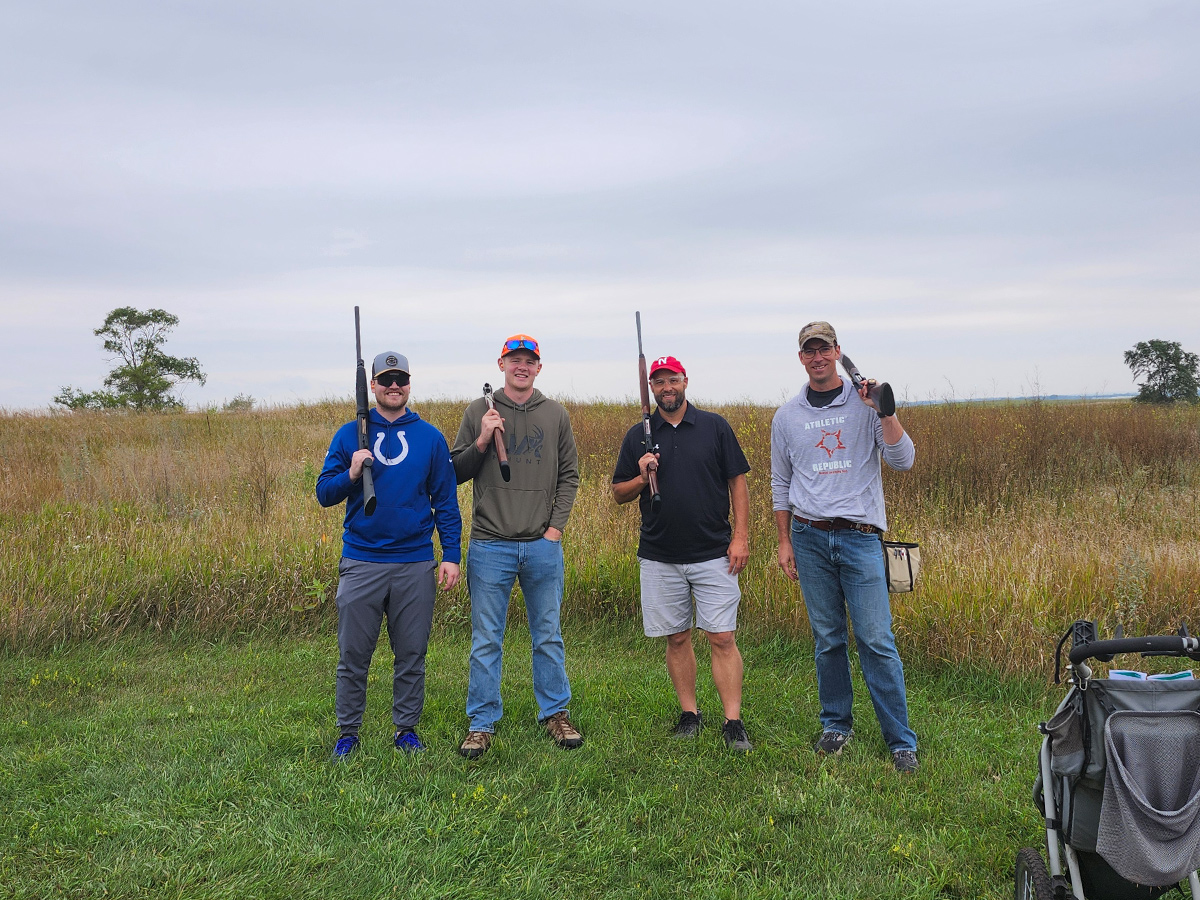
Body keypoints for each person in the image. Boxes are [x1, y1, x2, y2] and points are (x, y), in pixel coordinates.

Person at [771, 322, 919, 773]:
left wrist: (884, 410)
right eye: (808, 350)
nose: (817, 357)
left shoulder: (864, 405)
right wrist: (783, 541)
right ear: (800, 358)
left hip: (860, 539)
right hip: (808, 536)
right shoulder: (786, 416)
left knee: (876, 639)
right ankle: (837, 723)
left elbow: (903, 460)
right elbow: (781, 483)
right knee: (828, 638)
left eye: (824, 349)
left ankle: (900, 741)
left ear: (838, 352)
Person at [316, 351, 462, 759]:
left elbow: (446, 503)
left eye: (400, 379)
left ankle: (406, 730)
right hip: (362, 561)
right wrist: (351, 473)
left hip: (415, 561)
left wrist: (451, 554)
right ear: (373, 387)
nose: (393, 385)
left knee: (412, 653)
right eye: (385, 379)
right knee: (353, 656)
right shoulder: (348, 435)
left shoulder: (431, 437)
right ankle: (348, 733)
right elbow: (324, 493)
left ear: (409, 384)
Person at [611, 355, 754, 752]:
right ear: (651, 389)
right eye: (658, 382)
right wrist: (642, 475)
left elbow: (737, 483)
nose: (666, 388)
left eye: (672, 379)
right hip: (659, 555)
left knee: (722, 636)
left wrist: (740, 536)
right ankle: (690, 714)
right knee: (677, 638)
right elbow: (619, 493)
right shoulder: (637, 434)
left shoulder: (714, 427)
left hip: (713, 552)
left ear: (685, 381)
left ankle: (733, 722)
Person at [451, 334, 582, 758]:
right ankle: (482, 722)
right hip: (490, 545)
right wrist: (483, 440)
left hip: (542, 547)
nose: (521, 366)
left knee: (547, 634)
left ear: (539, 368)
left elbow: (569, 476)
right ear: (501, 364)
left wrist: (554, 531)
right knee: (486, 638)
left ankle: (556, 715)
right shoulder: (478, 411)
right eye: (514, 360)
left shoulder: (555, 414)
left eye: (529, 361)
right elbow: (455, 471)